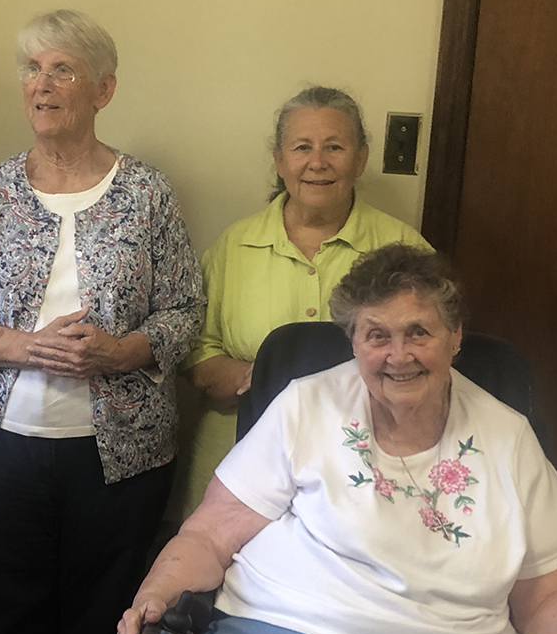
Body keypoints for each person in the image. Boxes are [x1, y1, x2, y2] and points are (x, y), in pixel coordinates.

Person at [118, 244, 557, 634]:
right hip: (284, 628)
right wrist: (155, 597)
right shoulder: (306, 404)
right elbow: (210, 535)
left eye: (418, 332)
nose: (398, 354)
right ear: (352, 341)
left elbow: (546, 595)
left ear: (455, 336)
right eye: (377, 335)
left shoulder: (509, 439)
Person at [0, 10, 205, 634]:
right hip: (1, 447)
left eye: (62, 70)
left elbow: (186, 312)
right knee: (10, 610)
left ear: (102, 90)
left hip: (123, 453)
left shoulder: (147, 192)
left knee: (103, 613)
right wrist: (25, 347)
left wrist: (122, 351)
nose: (41, 85)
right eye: (32, 69)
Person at [177, 86, 431, 516]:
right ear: (279, 160)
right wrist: (254, 379)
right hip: (238, 458)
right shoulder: (234, 246)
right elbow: (195, 350)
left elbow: (434, 356)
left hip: (366, 467)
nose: (317, 162)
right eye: (301, 147)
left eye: (335, 146)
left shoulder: (404, 249)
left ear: (361, 158)